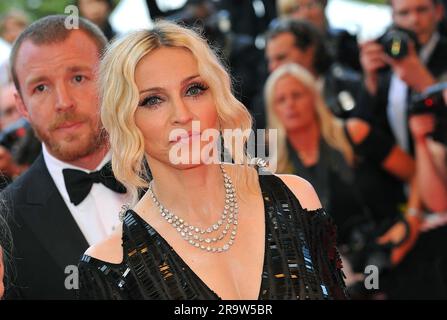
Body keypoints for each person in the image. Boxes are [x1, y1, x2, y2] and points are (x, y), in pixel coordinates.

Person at [77, 20, 348, 300]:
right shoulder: (111, 265)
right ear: (125, 120)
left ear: (217, 97)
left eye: (194, 90)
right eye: (152, 100)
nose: (182, 115)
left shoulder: (296, 198)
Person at [1, 15, 130, 299]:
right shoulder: (6, 221)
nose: (63, 102)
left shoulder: (174, 170)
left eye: (78, 78)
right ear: (21, 105)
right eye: (41, 88)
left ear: (112, 80)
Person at [264, 63, 419, 269]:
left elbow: (415, 173)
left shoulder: (355, 133)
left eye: (297, 95)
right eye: (281, 100)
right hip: (336, 275)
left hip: (397, 249)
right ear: (273, 109)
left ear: (314, 97)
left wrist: (411, 221)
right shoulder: (275, 170)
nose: (290, 104)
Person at [356, 0, 447, 154]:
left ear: (438, 11)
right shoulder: (384, 56)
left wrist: (427, 85)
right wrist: (370, 80)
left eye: (422, 10)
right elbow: (363, 126)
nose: (414, 20)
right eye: (404, 13)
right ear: (393, 16)